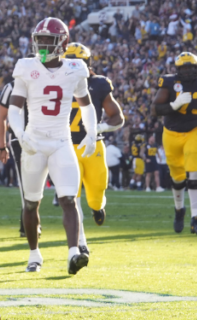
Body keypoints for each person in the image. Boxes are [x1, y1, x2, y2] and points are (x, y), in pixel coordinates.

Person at [7, 18, 98, 276]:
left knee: (69, 198)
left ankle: (73, 253)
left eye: (49, 40)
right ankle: (34, 254)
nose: (44, 44)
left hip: (61, 141)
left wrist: (91, 132)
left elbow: (87, 104)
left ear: (63, 43)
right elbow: (15, 107)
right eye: (41, 39)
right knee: (31, 203)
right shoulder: (26, 67)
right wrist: (20, 132)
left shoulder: (75, 68)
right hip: (34, 142)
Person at [64, 43, 124, 255]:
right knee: (73, 197)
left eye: (76, 63)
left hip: (92, 145)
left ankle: (98, 208)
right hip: (66, 146)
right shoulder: (55, 83)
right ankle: (81, 243)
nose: (71, 67)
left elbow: (118, 117)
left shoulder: (98, 84)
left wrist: (103, 126)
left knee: (96, 193)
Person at [152, 52, 197, 235]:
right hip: (172, 133)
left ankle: (196, 219)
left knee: (196, 172)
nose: (188, 71)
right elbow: (155, 109)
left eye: (191, 67)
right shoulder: (168, 83)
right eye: (184, 68)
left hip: (195, 130)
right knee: (177, 177)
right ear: (177, 69)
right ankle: (179, 209)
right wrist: (174, 105)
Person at [0, 74, 29, 237]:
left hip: (37, 137)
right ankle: (28, 224)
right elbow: (1, 116)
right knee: (26, 184)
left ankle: (28, 224)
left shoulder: (11, 86)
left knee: (30, 185)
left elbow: (1, 117)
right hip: (22, 139)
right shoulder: (12, 87)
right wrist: (1, 146)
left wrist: (2, 147)